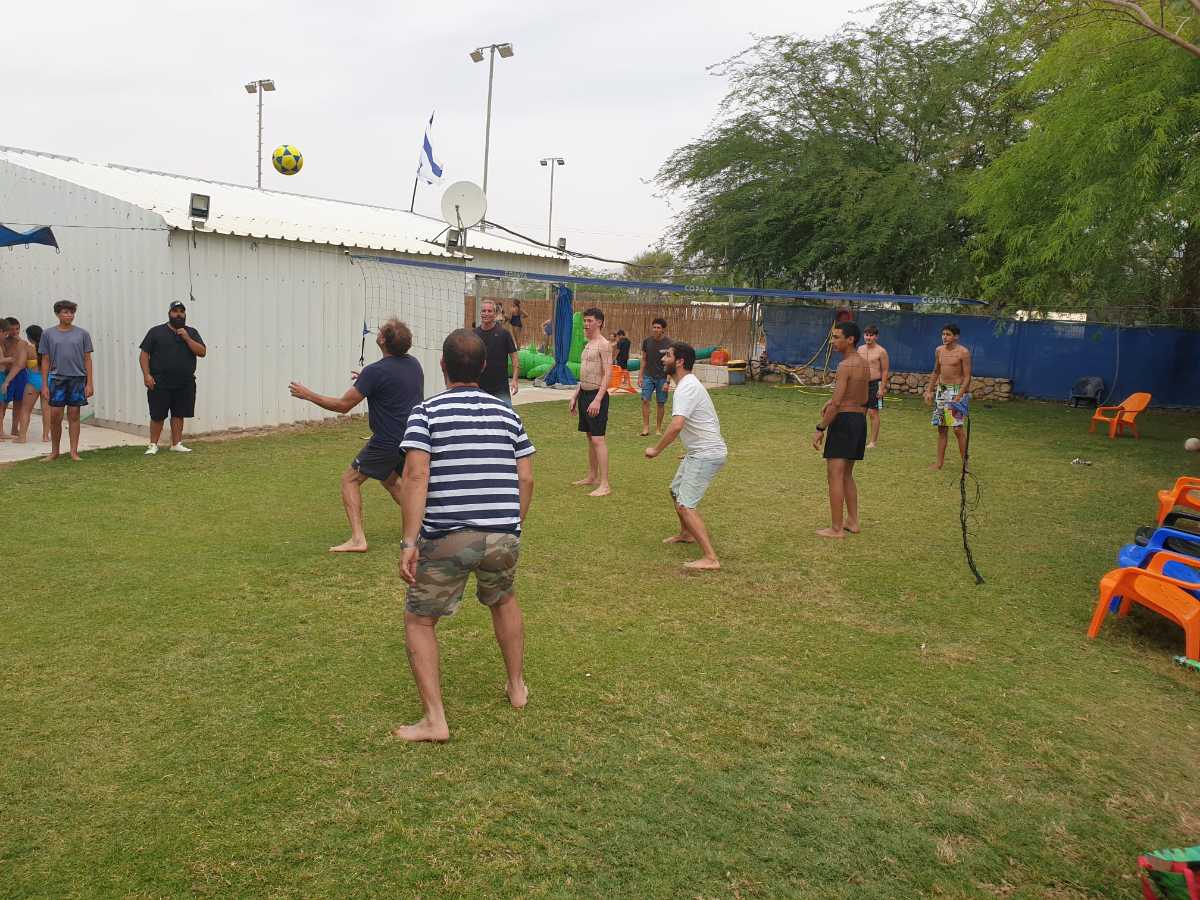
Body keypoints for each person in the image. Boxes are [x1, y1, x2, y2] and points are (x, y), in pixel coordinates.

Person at [394, 329, 535, 742]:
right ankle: (516, 687)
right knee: (504, 600)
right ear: (485, 367)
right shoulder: (508, 415)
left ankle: (435, 720)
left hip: (448, 537)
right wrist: (512, 525)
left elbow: (416, 475)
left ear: (442, 365)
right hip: (502, 535)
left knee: (420, 621)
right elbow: (526, 476)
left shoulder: (426, 413)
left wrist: (408, 542)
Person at [289, 319, 423, 553]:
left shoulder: (375, 372)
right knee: (390, 480)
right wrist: (367, 381)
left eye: (381, 330)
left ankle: (358, 539)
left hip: (387, 441)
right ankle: (423, 527)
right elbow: (393, 384)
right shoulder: (413, 364)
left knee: (349, 480)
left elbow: (343, 406)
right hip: (412, 438)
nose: (378, 330)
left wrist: (308, 394)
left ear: (383, 340)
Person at [645, 341, 728, 571]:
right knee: (675, 491)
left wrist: (656, 450)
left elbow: (677, 425)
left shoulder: (686, 387)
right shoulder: (687, 384)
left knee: (685, 505)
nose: (663, 359)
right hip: (699, 451)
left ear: (680, 361)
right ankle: (686, 534)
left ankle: (711, 558)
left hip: (706, 453)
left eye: (668, 356)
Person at [811, 321, 870, 538]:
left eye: (837, 337)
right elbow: (861, 396)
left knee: (834, 475)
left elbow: (837, 404)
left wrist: (820, 427)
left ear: (850, 339)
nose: (832, 341)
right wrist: (834, 401)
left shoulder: (845, 366)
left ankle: (836, 529)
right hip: (858, 420)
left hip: (844, 421)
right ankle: (852, 522)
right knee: (846, 475)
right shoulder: (863, 363)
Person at [138, 301, 207, 454]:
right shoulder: (156, 332)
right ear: (169, 313)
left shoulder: (191, 332)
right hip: (160, 382)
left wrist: (187, 339)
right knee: (157, 415)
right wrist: (147, 375)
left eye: (182, 311)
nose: (178, 314)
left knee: (179, 414)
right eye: (175, 311)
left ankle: (176, 444)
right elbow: (144, 354)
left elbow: (202, 352)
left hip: (185, 382)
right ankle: (153, 445)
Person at [38, 300, 94, 462]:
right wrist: (44, 385)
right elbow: (45, 360)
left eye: (71, 312)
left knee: (74, 414)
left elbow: (88, 359)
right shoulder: (48, 334)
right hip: (57, 379)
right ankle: (54, 451)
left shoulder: (82, 334)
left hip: (77, 379)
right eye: (65, 312)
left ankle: (73, 452)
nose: (69, 315)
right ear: (58, 314)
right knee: (55, 415)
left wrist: (89, 383)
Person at [569, 307, 613, 497]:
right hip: (585, 395)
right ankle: (592, 476)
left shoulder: (604, 344)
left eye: (590, 321)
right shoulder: (588, 344)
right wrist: (575, 395)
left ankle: (605, 484)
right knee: (590, 437)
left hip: (597, 396)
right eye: (585, 321)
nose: (586, 324)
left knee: (598, 439)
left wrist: (597, 399)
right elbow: (585, 373)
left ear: (599, 322)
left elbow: (608, 374)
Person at [923, 323, 973, 470]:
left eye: (948, 334)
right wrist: (929, 390)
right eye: (943, 334)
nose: (944, 337)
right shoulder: (939, 350)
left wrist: (960, 395)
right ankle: (939, 463)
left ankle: (965, 464)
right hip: (942, 390)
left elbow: (967, 376)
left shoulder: (963, 352)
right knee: (942, 428)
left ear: (956, 336)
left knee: (957, 429)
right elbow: (936, 371)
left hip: (957, 391)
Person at [475, 299, 519, 406]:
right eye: (484, 311)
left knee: (505, 415)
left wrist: (515, 379)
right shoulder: (474, 335)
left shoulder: (504, 334)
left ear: (495, 314)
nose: (486, 313)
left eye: (489, 311)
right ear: (480, 313)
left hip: (500, 390)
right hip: (479, 388)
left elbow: (515, 358)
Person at [857, 324, 890, 449]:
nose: (868, 337)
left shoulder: (881, 351)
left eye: (871, 335)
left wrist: (882, 388)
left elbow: (885, 370)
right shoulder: (860, 349)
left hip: (875, 384)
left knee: (873, 413)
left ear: (876, 337)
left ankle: (873, 442)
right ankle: (859, 439)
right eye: (866, 335)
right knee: (861, 413)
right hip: (861, 384)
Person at [0, 317, 32, 442]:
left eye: (17, 329)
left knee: (19, 402)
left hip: (20, 374)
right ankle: (1, 430)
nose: (15, 332)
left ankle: (14, 428)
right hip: (7, 373)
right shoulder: (3, 341)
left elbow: (26, 358)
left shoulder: (22, 343)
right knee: (4, 403)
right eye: (12, 329)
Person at [640, 317, 671, 436]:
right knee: (645, 400)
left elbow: (670, 363)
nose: (656, 329)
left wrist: (667, 382)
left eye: (658, 328)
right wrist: (640, 376)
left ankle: (658, 428)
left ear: (663, 330)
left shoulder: (669, 343)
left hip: (662, 377)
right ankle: (646, 428)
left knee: (660, 403)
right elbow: (643, 359)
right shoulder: (647, 342)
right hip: (648, 376)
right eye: (654, 327)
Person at [23, 324, 49, 442]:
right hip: (47, 381)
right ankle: (45, 436)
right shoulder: (48, 348)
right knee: (47, 411)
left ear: (29, 337)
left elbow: (21, 364)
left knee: (26, 410)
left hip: (33, 381)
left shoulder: (29, 348)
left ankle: (22, 436)